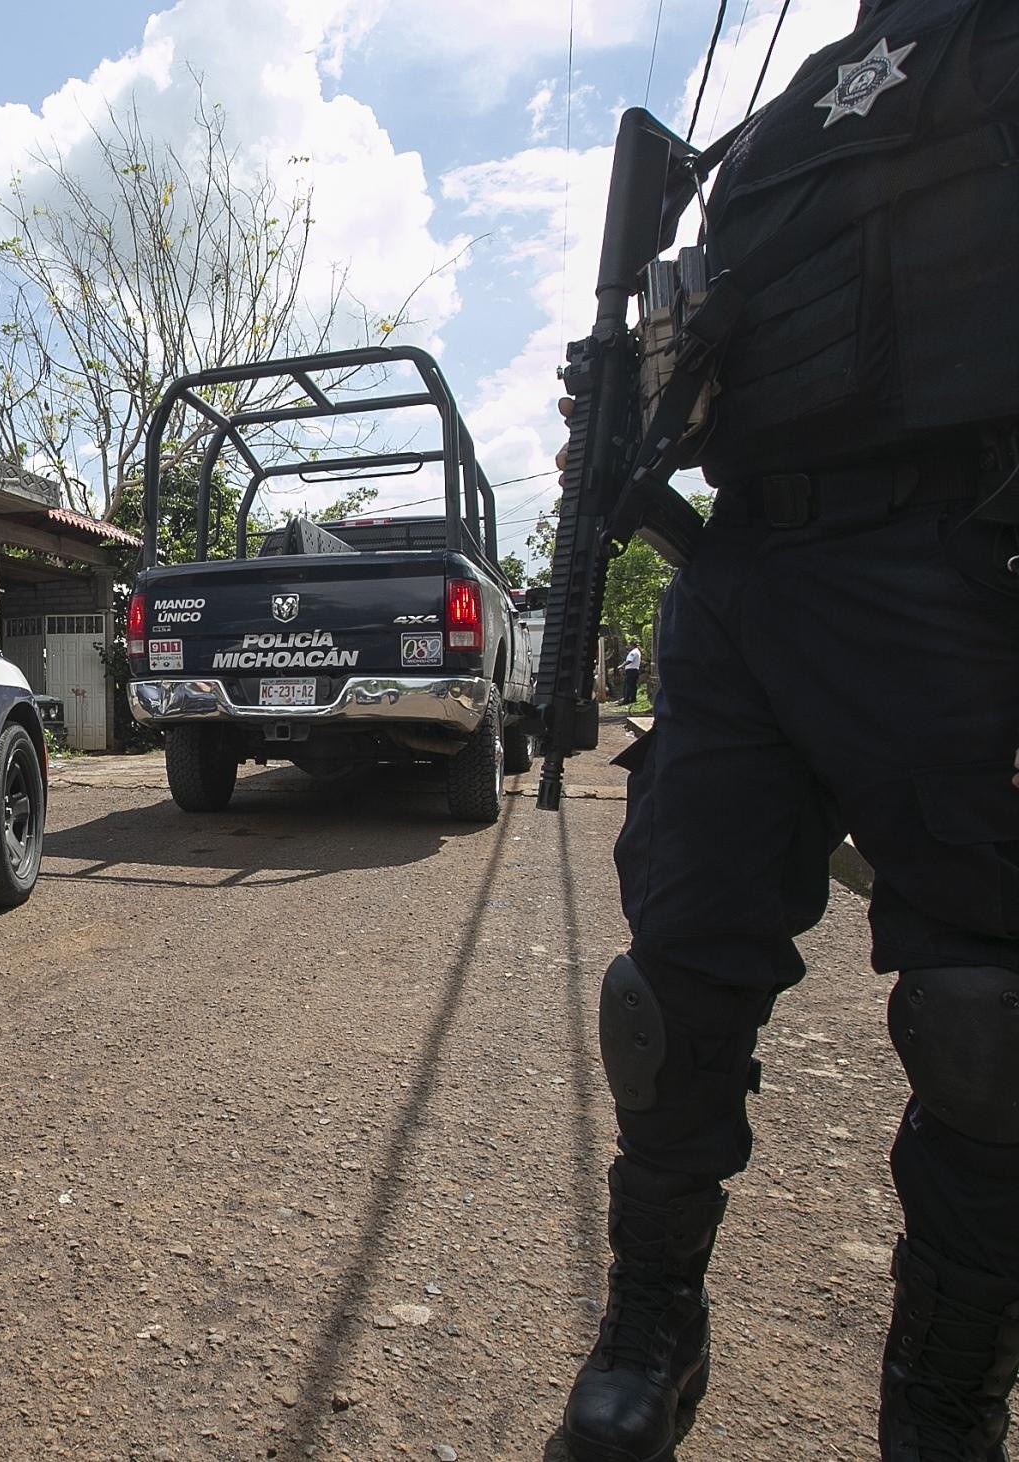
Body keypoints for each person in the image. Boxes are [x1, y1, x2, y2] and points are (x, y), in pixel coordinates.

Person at [556, 1, 1019, 1458]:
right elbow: (708, 377)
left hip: (962, 562)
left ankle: (944, 1396)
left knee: (989, 1025)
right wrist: (626, 417)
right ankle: (654, 1324)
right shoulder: (768, 139)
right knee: (671, 987)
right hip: (742, 577)